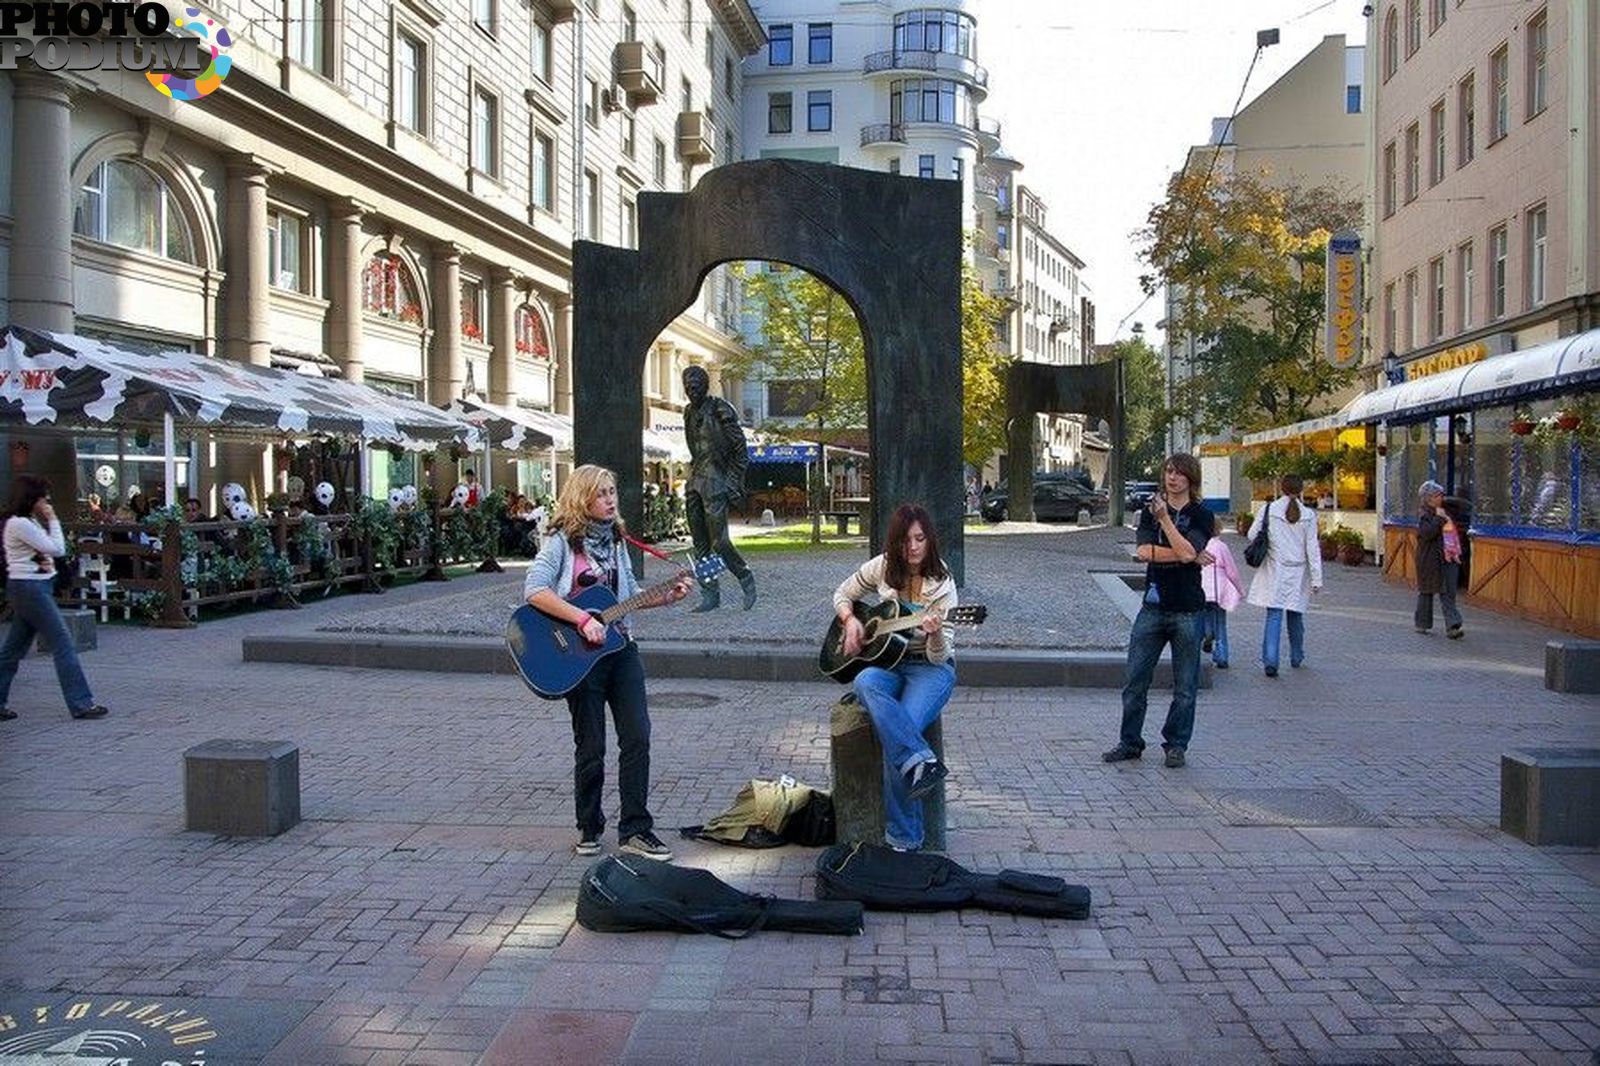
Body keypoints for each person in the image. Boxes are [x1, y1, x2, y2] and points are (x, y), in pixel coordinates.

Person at [523, 464, 694, 860]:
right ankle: (589, 826)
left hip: (621, 652)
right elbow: (534, 591)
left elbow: (628, 596)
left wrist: (668, 596)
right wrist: (582, 618)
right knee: (592, 745)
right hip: (579, 658)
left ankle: (636, 828)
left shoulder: (618, 541)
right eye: (601, 493)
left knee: (638, 736)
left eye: (613, 491)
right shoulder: (562, 544)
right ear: (583, 498)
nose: (611, 499)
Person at [833, 503, 957, 852]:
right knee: (864, 681)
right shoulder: (883, 566)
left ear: (930, 539)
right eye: (905, 541)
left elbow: (940, 654)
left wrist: (933, 634)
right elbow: (843, 594)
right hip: (890, 664)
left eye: (920, 539)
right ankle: (921, 762)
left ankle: (903, 841)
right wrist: (851, 621)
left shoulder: (943, 584)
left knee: (900, 739)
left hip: (931, 670)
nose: (914, 547)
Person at [1103, 453, 1214, 769]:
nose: (1172, 478)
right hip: (1152, 608)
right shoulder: (1147, 512)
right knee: (1135, 681)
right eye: (1168, 471)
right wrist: (1186, 555)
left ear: (1190, 479)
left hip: (1188, 610)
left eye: (1179, 473)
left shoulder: (1201, 515)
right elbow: (1143, 551)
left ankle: (1176, 744)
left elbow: (1188, 550)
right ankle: (1130, 742)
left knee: (1185, 687)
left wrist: (1167, 523)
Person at [0, 475, 109, 722]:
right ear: (32, 498)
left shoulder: (26, 522)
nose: (47, 500)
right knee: (62, 643)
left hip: (32, 587)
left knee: (12, 650)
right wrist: (53, 519)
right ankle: (81, 702)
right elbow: (57, 548)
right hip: (30, 588)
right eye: (43, 496)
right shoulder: (20, 524)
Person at [681, 364, 756, 611]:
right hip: (695, 482)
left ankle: (744, 574)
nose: (692, 390)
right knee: (700, 543)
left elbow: (740, 451)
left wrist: (733, 482)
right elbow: (693, 447)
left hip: (715, 481)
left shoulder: (721, 408)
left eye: (696, 385)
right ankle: (710, 593)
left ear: (706, 385)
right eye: (688, 386)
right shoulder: (688, 413)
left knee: (720, 542)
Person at [1246, 473, 1324, 676]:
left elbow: (1252, 535)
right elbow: (1312, 548)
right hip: (1299, 572)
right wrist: (1317, 579)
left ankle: (1270, 661)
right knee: (1296, 614)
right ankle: (1297, 656)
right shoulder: (1308, 515)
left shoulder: (1268, 510)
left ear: (1281, 488)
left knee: (1274, 614)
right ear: (1301, 490)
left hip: (1274, 569)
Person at [1415, 480, 1466, 638]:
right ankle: (1422, 623)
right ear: (1428, 498)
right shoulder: (1424, 515)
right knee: (1426, 592)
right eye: (1438, 495)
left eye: (1441, 495)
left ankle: (1453, 626)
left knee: (1448, 592)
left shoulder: (1445, 511)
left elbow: (1453, 531)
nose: (1441, 498)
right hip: (1429, 560)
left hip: (1448, 558)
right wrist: (1438, 519)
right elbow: (1427, 534)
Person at [1198, 532, 1243, 670]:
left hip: (1202, 590)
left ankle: (1207, 635)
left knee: (1204, 619)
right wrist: (1240, 590)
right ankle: (1222, 656)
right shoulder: (1221, 546)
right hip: (1219, 592)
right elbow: (1232, 571)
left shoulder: (1198, 545)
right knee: (1220, 624)